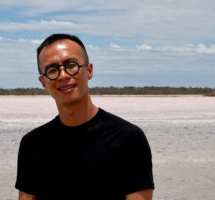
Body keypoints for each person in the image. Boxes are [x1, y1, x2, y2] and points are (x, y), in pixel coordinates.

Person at [15, 33, 155, 200]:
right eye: (52, 70)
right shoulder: (32, 144)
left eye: (71, 65)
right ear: (43, 82)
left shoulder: (128, 139)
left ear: (89, 70)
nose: (63, 75)